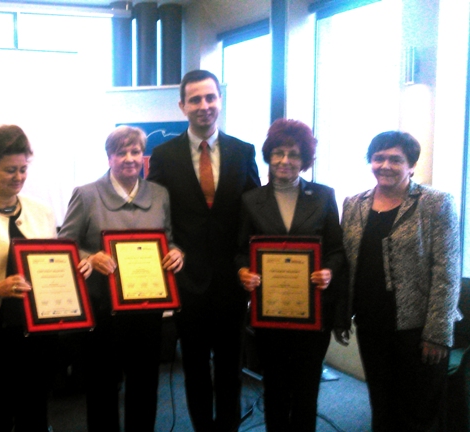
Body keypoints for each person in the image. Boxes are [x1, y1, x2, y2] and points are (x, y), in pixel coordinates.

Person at [0, 125, 90, 432]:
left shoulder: (42, 211)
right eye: (10, 170)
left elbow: (51, 263)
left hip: (36, 332)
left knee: (35, 412)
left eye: (23, 169)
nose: (19, 177)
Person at [146, 69, 260, 432]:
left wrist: (252, 263)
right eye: (195, 99)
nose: (204, 106)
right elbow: (156, 215)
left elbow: (254, 212)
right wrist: (171, 247)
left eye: (210, 97)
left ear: (220, 101)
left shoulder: (244, 151)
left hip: (232, 280)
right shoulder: (163, 155)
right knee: (194, 368)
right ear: (182, 106)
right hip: (188, 280)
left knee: (230, 367)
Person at [58, 126, 184, 432]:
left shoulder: (159, 194)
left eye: (136, 151)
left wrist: (177, 252)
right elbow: (65, 244)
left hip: (146, 308)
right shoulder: (87, 195)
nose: (129, 158)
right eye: (121, 152)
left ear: (144, 155)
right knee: (102, 388)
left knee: (144, 385)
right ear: (109, 157)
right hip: (102, 310)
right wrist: (90, 257)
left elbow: (166, 239)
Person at [341, 131, 461, 432]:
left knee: (419, 411)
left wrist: (437, 333)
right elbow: (346, 263)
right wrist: (341, 314)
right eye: (378, 158)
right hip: (371, 323)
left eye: (396, 159)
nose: (385, 165)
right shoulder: (354, 204)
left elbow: (447, 270)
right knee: (382, 403)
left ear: (411, 165)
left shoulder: (436, 203)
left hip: (418, 328)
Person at [236, 119, 347, 432]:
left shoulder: (324, 196)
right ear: (269, 156)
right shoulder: (251, 200)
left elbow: (337, 251)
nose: (286, 161)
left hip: (312, 313)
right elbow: (240, 250)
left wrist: (328, 272)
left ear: (305, 160)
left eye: (295, 154)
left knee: (307, 388)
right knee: (274, 388)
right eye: (279, 153)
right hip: (269, 311)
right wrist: (243, 271)